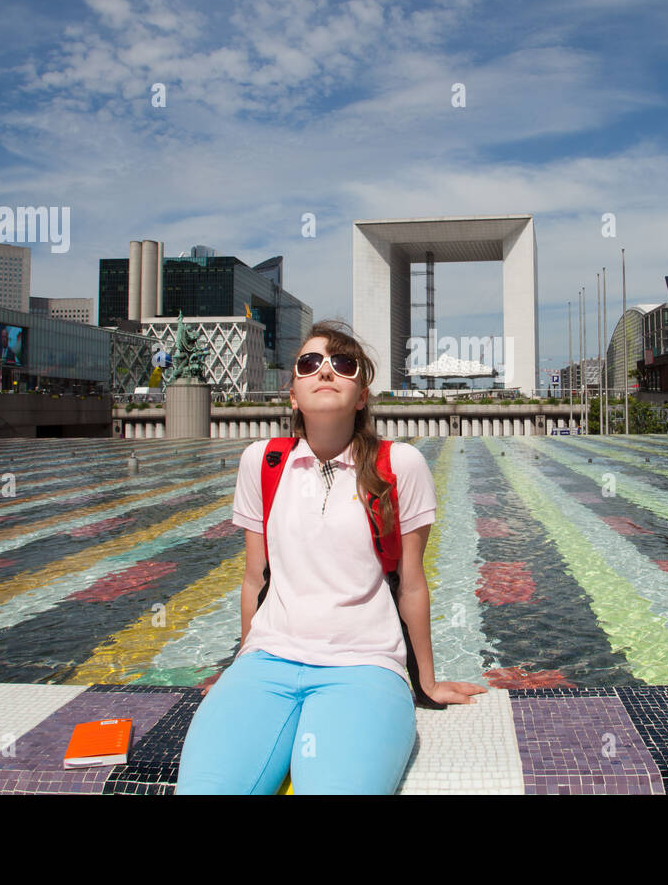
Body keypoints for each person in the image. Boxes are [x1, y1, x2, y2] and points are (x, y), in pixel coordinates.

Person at [176, 320, 485, 795]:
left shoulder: (399, 465)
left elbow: (412, 584)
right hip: (266, 663)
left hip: (364, 668)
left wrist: (426, 681)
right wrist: (243, 663)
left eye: (343, 364)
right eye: (310, 363)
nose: (326, 371)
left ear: (361, 395)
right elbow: (254, 578)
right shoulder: (261, 463)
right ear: (294, 395)